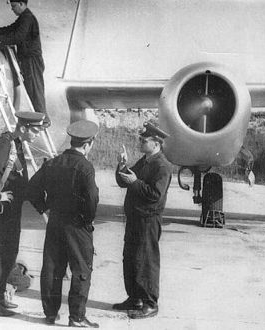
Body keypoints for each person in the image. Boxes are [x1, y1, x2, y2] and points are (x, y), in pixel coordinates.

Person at [27, 120, 100, 327]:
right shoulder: (85, 167)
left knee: (52, 267)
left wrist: (44, 208)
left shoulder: (53, 162)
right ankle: (76, 317)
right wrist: (87, 219)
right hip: (77, 226)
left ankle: (50, 314)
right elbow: (92, 198)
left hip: (55, 222)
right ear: (88, 144)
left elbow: (32, 189)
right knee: (81, 270)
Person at [0, 111, 45, 317]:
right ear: (24, 127)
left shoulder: (16, 143)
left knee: (9, 254)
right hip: (1, 211)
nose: (37, 134)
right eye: (35, 130)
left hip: (11, 211)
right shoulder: (4, 143)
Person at [113, 122, 173, 319]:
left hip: (148, 220)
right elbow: (125, 181)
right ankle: (135, 298)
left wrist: (135, 182)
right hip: (135, 219)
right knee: (130, 258)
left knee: (146, 261)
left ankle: (149, 302)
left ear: (156, 143)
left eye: (143, 140)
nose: (140, 142)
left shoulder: (162, 165)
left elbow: (155, 194)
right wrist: (122, 165)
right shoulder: (145, 161)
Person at [0, 0, 50, 126]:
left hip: (32, 60)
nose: (12, 9)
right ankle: (40, 118)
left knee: (35, 89)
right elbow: (9, 29)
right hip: (27, 59)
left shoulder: (27, 18)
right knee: (32, 89)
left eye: (14, 6)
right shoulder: (24, 18)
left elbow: (17, 37)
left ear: (21, 4)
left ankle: (44, 120)